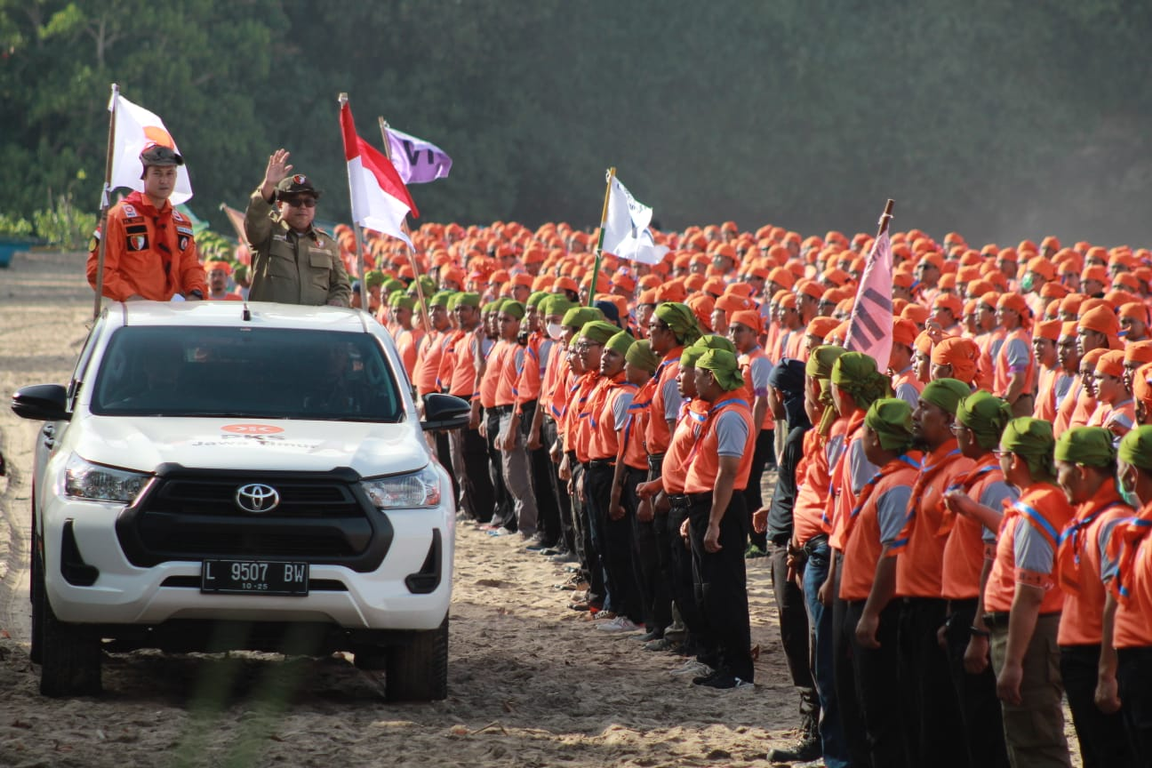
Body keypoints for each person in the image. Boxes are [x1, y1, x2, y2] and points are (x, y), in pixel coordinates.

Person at [983, 417, 1075, 768]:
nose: (998, 460)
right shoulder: (1043, 499)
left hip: (1030, 636)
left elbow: (1029, 592)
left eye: (1001, 454)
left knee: (1035, 742)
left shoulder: (1036, 509)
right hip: (1036, 631)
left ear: (1016, 460)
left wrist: (1013, 663)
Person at [838, 397, 921, 768]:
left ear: (879, 438)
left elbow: (892, 554)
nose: (862, 440)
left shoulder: (898, 485)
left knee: (883, 716)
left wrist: (870, 613)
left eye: (867, 432)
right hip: (866, 603)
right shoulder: (890, 478)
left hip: (880, 611)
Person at [1052, 426, 1135, 768]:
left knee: (1109, 754)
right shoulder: (1086, 519)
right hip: (1081, 656)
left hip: (1097, 658)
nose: (1059, 480)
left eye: (1062, 471)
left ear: (1082, 470)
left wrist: (1106, 672)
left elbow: (1117, 602)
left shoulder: (1112, 522)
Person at [681, 348, 756, 689]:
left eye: (697, 373)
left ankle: (737, 669)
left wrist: (713, 522)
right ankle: (721, 663)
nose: (693, 379)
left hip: (722, 509)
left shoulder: (729, 416)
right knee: (708, 591)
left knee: (724, 592)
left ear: (711, 377)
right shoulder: (719, 412)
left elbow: (727, 474)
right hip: (707, 508)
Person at [87, 143, 206, 302]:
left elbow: (191, 267)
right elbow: (98, 270)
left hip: (176, 315)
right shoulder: (118, 218)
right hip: (135, 316)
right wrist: (132, 297)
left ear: (176, 176)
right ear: (144, 176)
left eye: (170, 173)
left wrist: (195, 293)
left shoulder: (181, 223)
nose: (164, 180)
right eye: (157, 173)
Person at [245, 148, 351, 307]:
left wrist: (338, 300)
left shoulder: (327, 244)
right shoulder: (268, 231)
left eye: (309, 202)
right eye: (295, 202)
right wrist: (269, 184)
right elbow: (255, 218)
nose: (303, 207)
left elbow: (341, 285)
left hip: (312, 327)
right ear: (280, 205)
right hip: (271, 326)